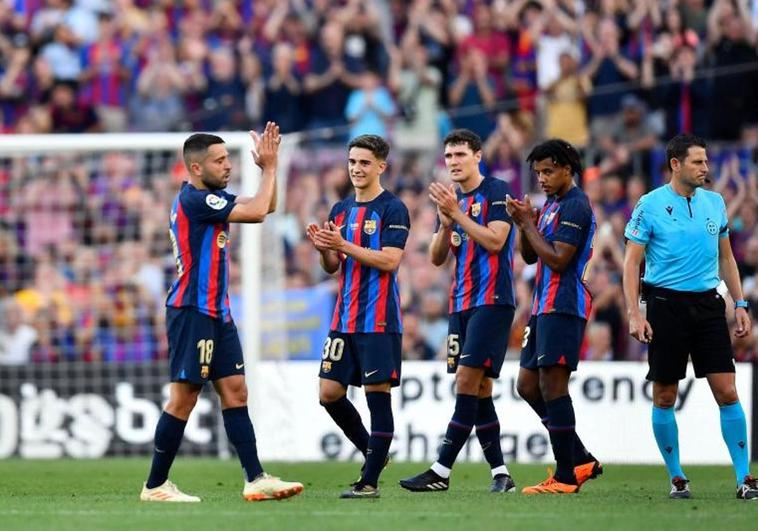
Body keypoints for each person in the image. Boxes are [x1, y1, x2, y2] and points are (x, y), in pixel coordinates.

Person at [140, 123, 303, 503]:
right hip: (191, 310)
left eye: (228, 158)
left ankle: (255, 477)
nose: (228, 165)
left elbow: (268, 204)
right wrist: (271, 167)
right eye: (219, 160)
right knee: (184, 398)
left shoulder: (213, 199)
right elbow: (261, 211)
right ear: (196, 168)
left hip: (218, 312)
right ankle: (155, 485)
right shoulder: (196, 201)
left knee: (236, 391)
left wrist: (269, 171)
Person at [622, 133, 757, 500]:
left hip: (709, 306)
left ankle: (745, 478)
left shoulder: (715, 203)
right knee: (665, 395)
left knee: (727, 391)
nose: (706, 168)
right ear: (675, 164)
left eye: (707, 161)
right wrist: (635, 312)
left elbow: (726, 257)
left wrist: (740, 304)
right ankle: (677, 476)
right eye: (698, 162)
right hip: (665, 307)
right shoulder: (649, 205)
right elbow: (632, 262)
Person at [399, 129, 517, 493]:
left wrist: (457, 215)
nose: (453, 162)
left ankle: (440, 471)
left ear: (478, 155)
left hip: (492, 301)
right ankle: (501, 473)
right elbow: (436, 258)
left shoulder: (496, 191)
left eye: (460, 155)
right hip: (460, 303)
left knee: (466, 381)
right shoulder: (451, 200)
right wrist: (446, 222)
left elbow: (497, 241)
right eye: (448, 156)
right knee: (478, 390)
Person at [306, 134, 410, 499]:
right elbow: (334, 266)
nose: (356, 168)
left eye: (364, 162)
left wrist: (343, 245)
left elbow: (390, 260)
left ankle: (368, 482)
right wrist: (324, 249)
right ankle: (374, 455)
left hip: (378, 320)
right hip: (343, 319)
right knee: (329, 393)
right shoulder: (340, 210)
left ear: (381, 166)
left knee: (376, 396)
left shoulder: (393, 208)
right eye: (352, 161)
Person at [505, 139, 602, 494]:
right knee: (527, 385)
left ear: (567, 168)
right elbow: (531, 257)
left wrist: (529, 225)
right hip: (542, 306)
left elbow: (560, 260)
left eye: (548, 171)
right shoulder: (550, 205)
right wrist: (523, 223)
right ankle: (579, 456)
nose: (542, 178)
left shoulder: (576, 206)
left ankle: (565, 477)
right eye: (538, 173)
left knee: (552, 386)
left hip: (564, 304)